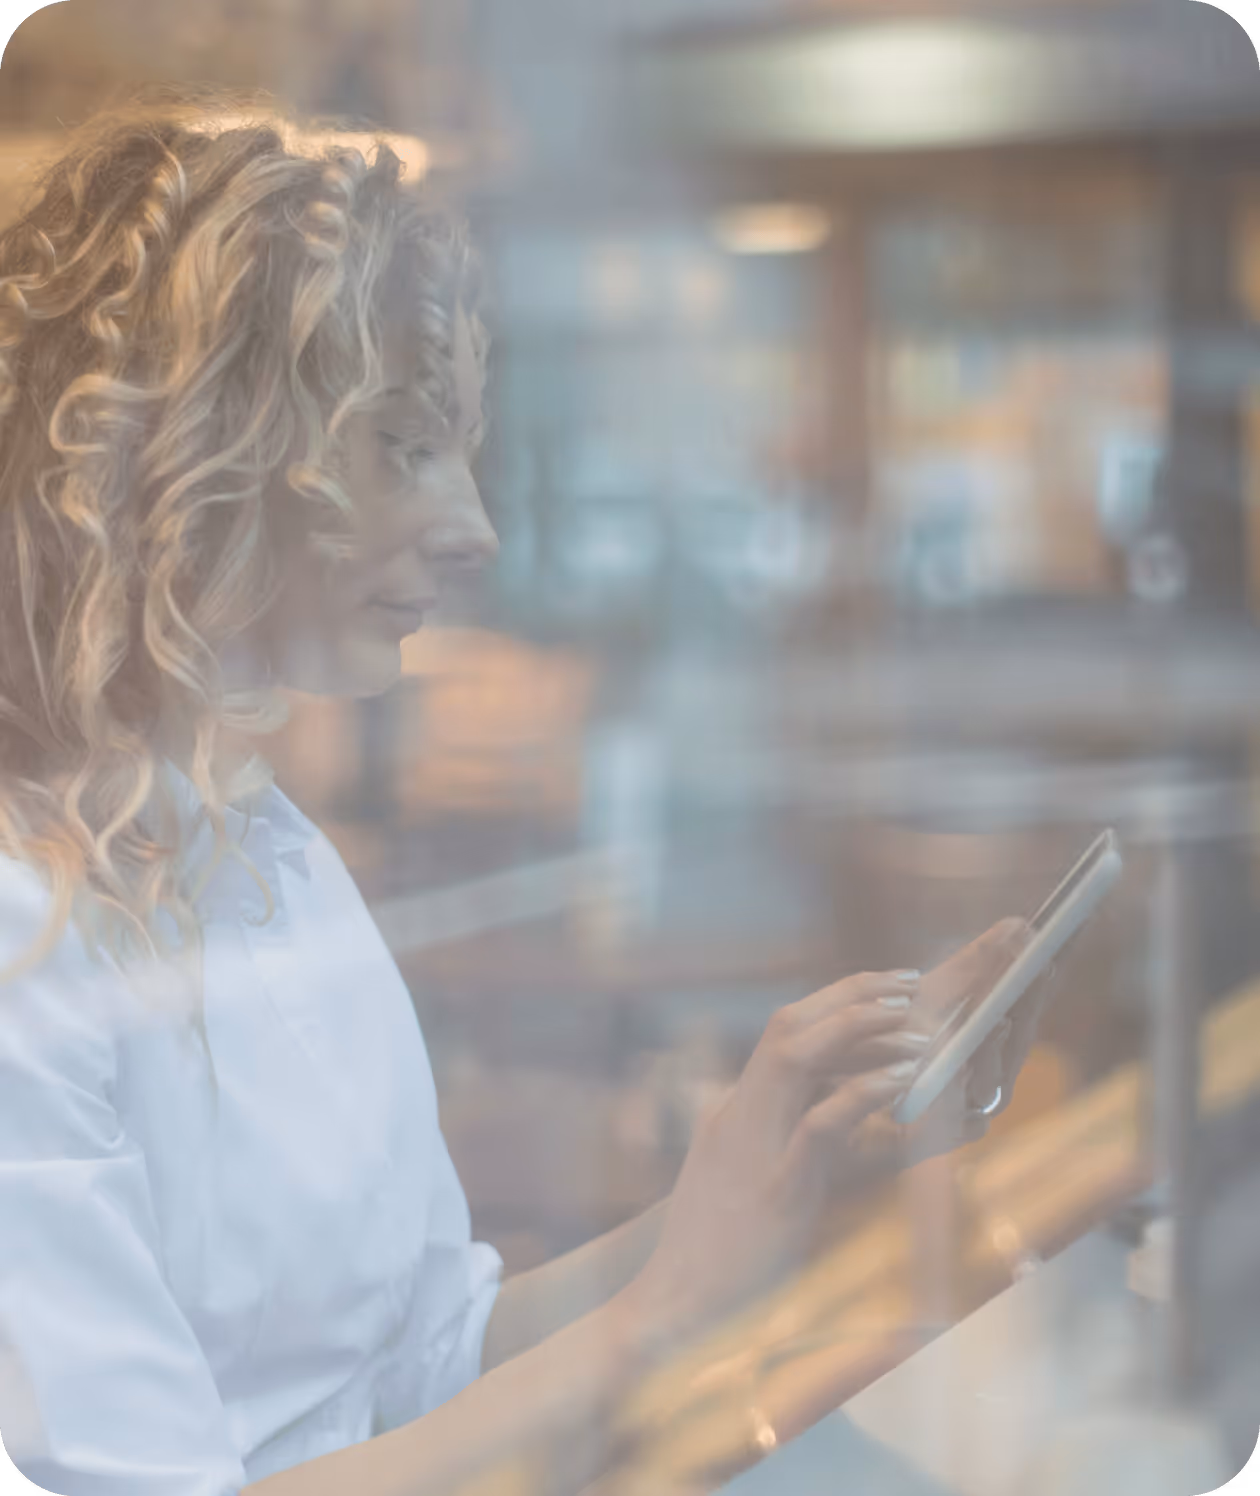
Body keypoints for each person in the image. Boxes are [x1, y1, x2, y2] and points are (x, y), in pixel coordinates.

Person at [0, 89, 1045, 1496]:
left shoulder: (269, 855)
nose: (474, 527)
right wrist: (672, 1309)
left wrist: (775, 1168)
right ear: (211, 448)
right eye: (405, 446)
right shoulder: (25, 941)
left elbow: (440, 1361)